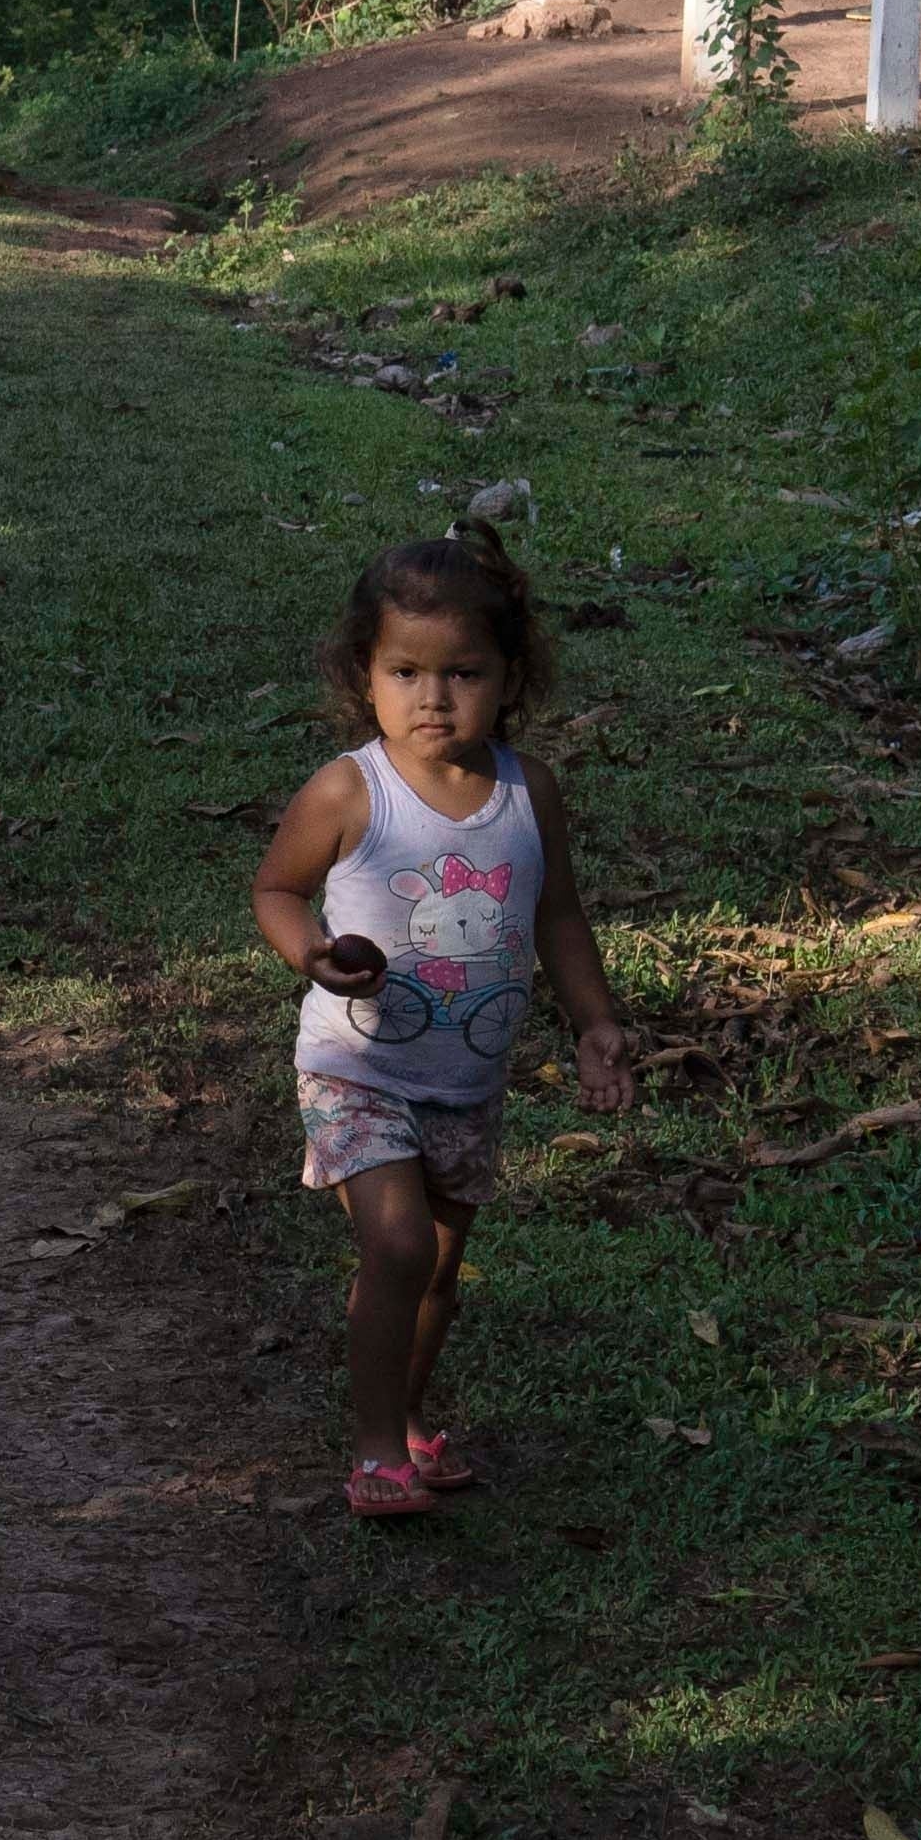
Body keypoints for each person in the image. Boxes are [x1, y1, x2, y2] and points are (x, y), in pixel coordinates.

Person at [250, 533, 635, 1519]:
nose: (433, 697)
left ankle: (409, 1416)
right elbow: (278, 888)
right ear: (362, 675)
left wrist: (594, 1021)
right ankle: (375, 1451)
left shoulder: (525, 791)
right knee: (398, 1247)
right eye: (405, 671)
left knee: (438, 1275)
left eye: (462, 671)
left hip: (465, 1080)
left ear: (509, 676)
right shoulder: (351, 789)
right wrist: (312, 953)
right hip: (356, 1065)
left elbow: (557, 915)